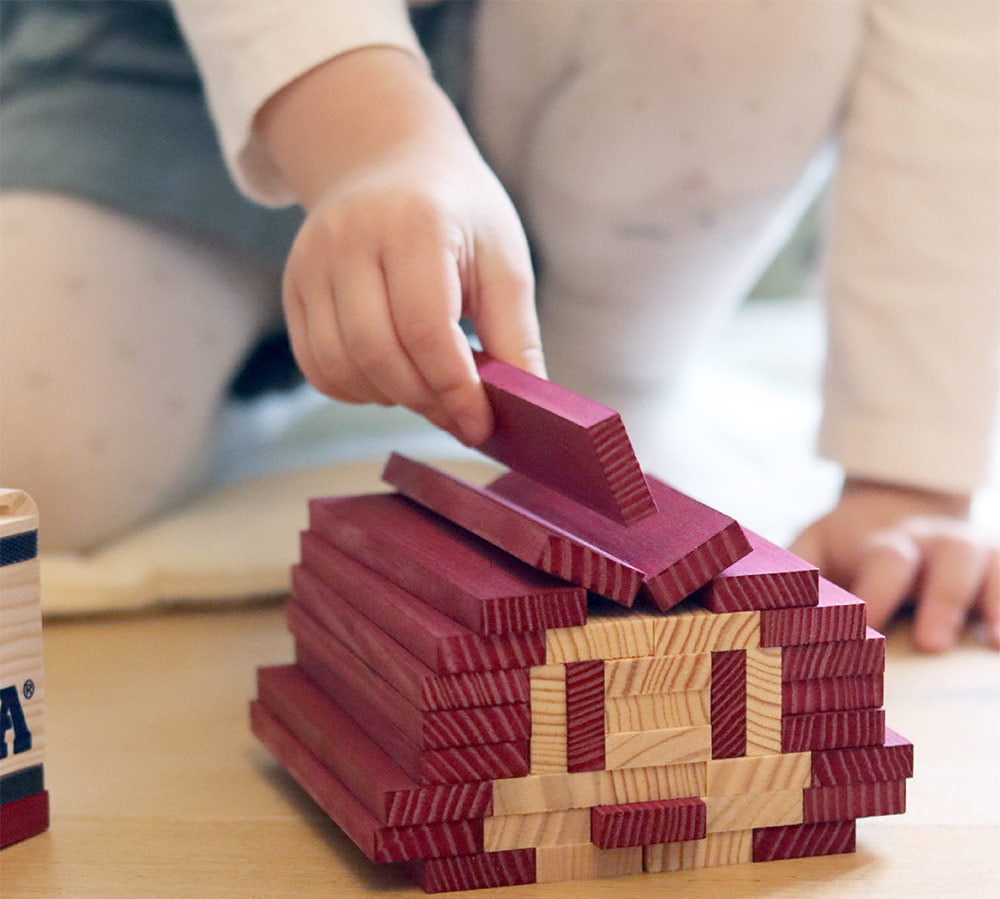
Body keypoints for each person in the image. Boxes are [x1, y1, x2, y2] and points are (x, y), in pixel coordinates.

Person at [1, 0, 996, 653]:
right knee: (31, 462)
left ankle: (605, 388)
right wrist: (370, 141)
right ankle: (289, 338)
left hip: (618, 50)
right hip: (157, 58)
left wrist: (903, 476)